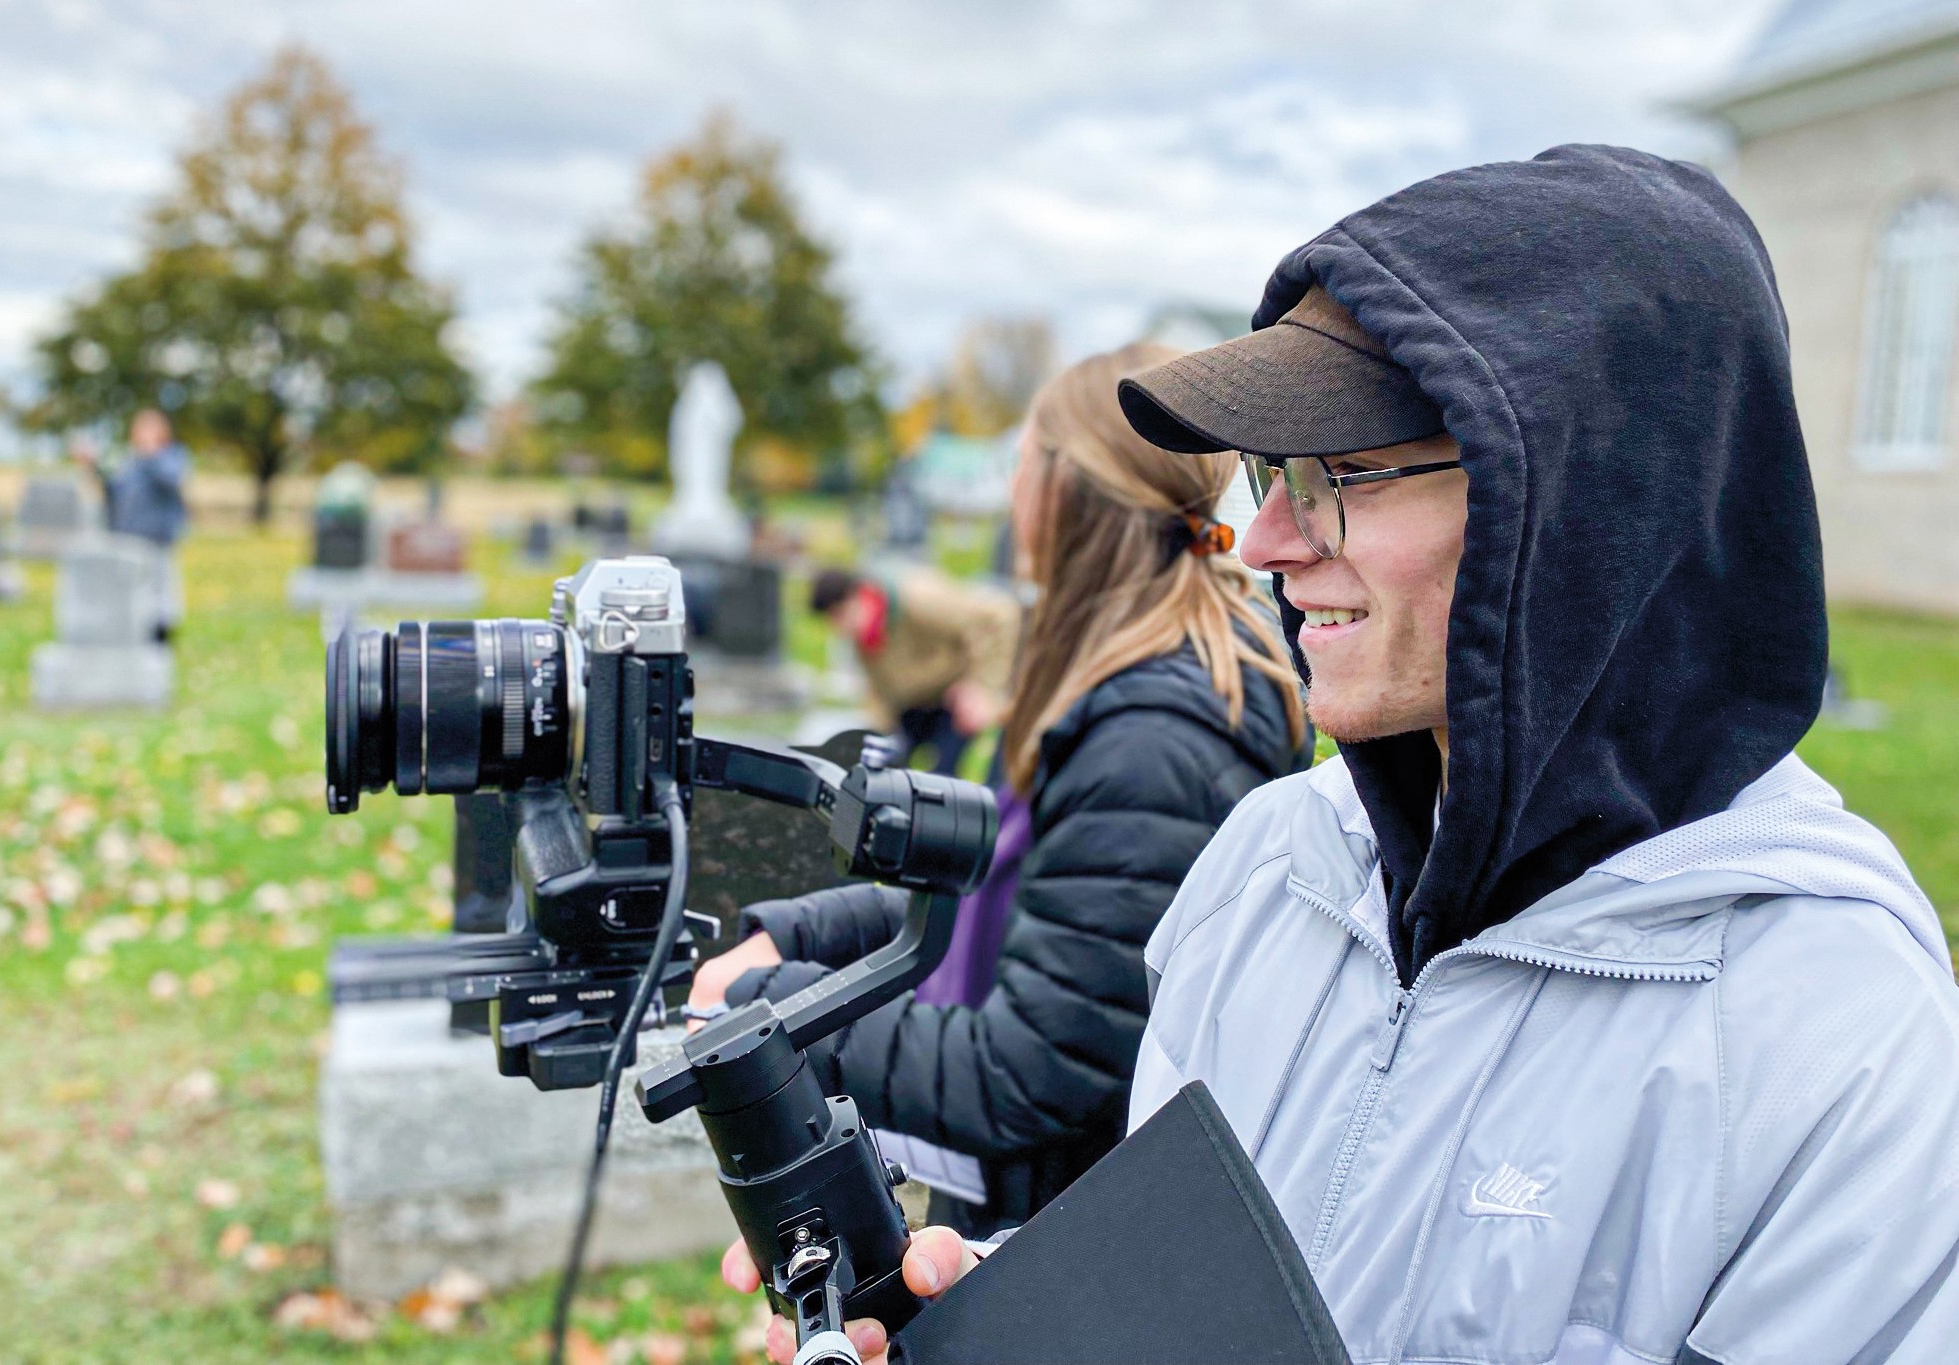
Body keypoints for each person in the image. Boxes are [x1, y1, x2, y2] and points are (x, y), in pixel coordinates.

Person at [730, 145, 1959, 1365]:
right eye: (1274, 476)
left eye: (1343, 476)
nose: (1262, 539)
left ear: (1587, 505)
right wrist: (978, 1320)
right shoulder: (1273, 866)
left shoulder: (1836, 1039)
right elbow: (1195, 1314)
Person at [692, 342, 1312, 1244]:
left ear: (1066, 489)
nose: (1011, 487)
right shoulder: (1133, 683)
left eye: (1023, 459)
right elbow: (1020, 895)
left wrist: (778, 1010)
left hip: (1078, 1244)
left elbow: (1030, 1074)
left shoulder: (1156, 740)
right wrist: (800, 934)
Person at [807, 564, 1017, 775]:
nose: (840, 627)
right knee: (888, 777)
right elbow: (880, 693)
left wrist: (982, 687)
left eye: (841, 614)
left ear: (856, 596)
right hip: (914, 708)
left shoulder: (919, 600)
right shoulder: (862, 636)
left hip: (953, 697)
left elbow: (997, 616)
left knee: (942, 779)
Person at [74, 408, 189, 644]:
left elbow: (172, 480)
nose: (143, 433)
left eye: (150, 427)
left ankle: (161, 637)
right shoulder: (129, 461)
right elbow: (113, 493)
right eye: (140, 428)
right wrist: (91, 466)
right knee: (131, 594)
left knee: (160, 593)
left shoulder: (172, 456)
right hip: (127, 539)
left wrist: (151, 454)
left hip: (157, 539)